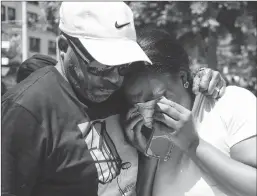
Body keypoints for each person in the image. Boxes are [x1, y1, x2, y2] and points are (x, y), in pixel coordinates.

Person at [2, 2, 226, 196]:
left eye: (122, 66)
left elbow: (169, 83)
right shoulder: (26, 110)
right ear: (63, 47)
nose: (114, 80)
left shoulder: (114, 92)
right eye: (100, 68)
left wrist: (203, 78)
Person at [122, 28, 256, 196]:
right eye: (137, 104)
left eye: (158, 96)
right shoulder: (159, 138)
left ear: (183, 78)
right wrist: (149, 158)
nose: (149, 110)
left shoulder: (229, 102)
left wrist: (193, 144)